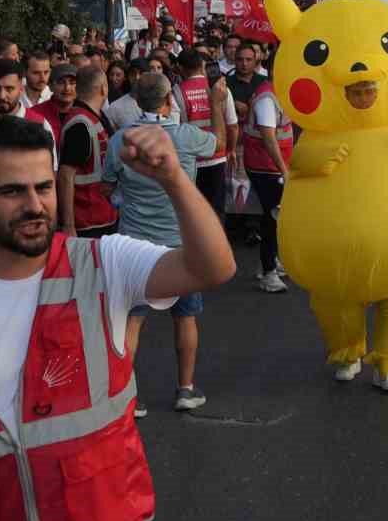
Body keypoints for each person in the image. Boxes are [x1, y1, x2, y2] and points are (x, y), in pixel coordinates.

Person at [0, 117, 237, 521]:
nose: (33, 205)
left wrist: (173, 179)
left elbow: (213, 268)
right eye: (12, 191)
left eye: (43, 188)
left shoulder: (104, 263)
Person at [104, 73, 217, 415]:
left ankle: (127, 396)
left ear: (137, 101)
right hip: (181, 244)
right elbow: (221, 143)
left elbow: (107, 186)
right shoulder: (186, 136)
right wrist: (217, 102)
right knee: (185, 318)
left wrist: (125, 201)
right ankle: (185, 389)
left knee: (132, 321)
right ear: (170, 100)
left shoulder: (121, 138)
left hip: (135, 245)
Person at [241, 52, 293, 293]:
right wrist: (284, 169)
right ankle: (268, 272)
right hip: (266, 167)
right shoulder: (267, 98)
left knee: (277, 217)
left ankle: (271, 261)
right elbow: (269, 137)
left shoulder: (281, 94)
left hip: (274, 166)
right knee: (273, 217)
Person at [173, 49, 235, 219]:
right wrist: (230, 149)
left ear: (181, 68)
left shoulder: (176, 93)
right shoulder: (221, 89)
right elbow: (233, 125)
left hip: (191, 161)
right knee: (216, 210)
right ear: (202, 66)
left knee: (194, 212)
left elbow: (174, 129)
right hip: (218, 157)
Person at [59, 66, 119, 237]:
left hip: (101, 213)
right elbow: (65, 175)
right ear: (103, 88)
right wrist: (68, 225)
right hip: (87, 220)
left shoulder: (95, 116)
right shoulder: (80, 124)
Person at [31, 62, 79, 141]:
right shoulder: (35, 114)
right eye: (61, 82)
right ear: (50, 86)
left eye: (72, 82)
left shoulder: (86, 114)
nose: (67, 88)